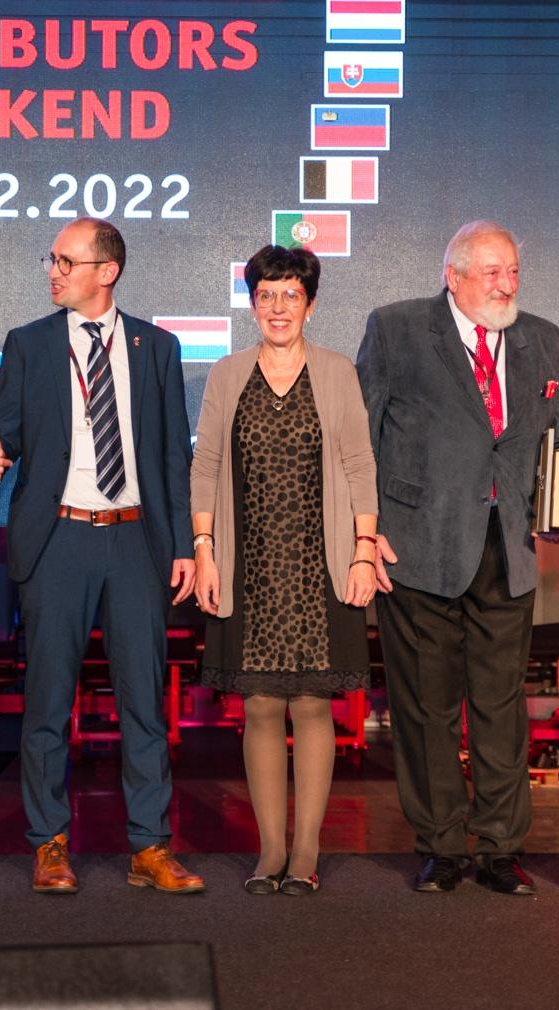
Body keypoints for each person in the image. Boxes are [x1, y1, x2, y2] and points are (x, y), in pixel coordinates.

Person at [357, 220, 559, 897]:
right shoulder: (397, 329)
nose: (506, 285)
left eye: (513, 271)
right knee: (426, 709)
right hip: (416, 547)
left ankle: (499, 849)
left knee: (501, 708)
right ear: (453, 275)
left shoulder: (541, 339)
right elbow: (360, 436)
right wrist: (363, 533)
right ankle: (440, 847)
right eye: (492, 272)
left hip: (508, 549)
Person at [0, 217, 204, 895]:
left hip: (135, 539)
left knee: (144, 703)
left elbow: (173, 454)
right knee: (47, 702)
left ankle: (150, 846)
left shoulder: (156, 347)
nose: (54, 272)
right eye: (52, 260)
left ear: (107, 271)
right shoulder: (29, 344)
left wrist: (185, 544)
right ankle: (48, 844)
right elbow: (6, 432)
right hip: (59, 539)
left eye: (66, 262)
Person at [191, 245, 378, 895]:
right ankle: (270, 852)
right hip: (251, 565)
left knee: (313, 704)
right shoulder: (227, 374)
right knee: (262, 706)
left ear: (310, 305)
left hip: (318, 563)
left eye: (290, 295)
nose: (278, 307)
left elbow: (359, 464)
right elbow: (206, 466)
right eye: (266, 295)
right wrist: (205, 549)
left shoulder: (337, 372)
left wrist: (363, 549)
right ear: (252, 304)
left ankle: (306, 853)